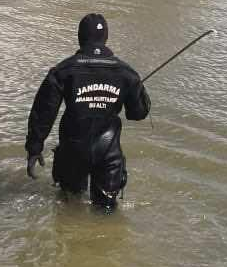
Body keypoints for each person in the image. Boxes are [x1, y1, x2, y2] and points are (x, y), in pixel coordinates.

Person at [26, 13, 150, 209]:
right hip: (109, 152)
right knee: (106, 213)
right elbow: (138, 113)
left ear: (79, 37)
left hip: (73, 150)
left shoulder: (63, 70)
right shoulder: (126, 73)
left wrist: (34, 149)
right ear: (106, 38)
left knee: (68, 208)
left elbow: (44, 111)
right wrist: (137, 90)